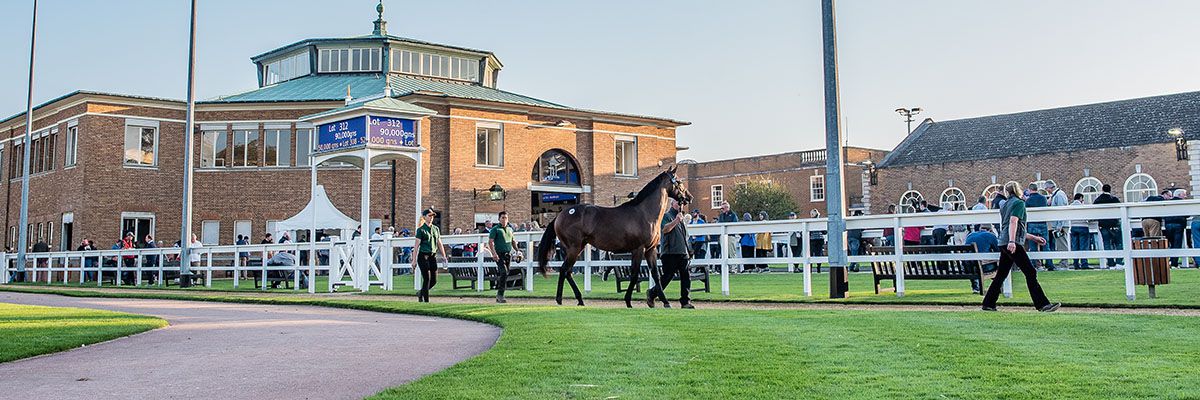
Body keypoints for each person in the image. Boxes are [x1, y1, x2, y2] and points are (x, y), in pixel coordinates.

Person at [982, 181, 1060, 312]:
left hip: (1003, 242)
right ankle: (1042, 304)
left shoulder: (1005, 204)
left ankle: (988, 303)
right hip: (1012, 242)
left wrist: (1033, 238)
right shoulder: (1019, 203)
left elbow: (1010, 226)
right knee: (1030, 272)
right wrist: (1012, 242)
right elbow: (1014, 222)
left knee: (1001, 274)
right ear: (1017, 189)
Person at [651, 198, 693, 309]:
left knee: (686, 277)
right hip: (670, 252)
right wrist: (676, 221)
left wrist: (688, 250)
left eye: (682, 203)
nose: (680, 205)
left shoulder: (681, 218)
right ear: (672, 204)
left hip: (682, 252)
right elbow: (664, 229)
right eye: (678, 203)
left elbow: (684, 236)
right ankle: (652, 293)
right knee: (667, 277)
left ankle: (685, 302)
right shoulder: (666, 216)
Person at [412, 209, 448, 302]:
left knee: (434, 280)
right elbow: (416, 246)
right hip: (423, 256)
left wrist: (444, 256)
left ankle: (421, 293)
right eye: (429, 216)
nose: (431, 218)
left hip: (432, 256)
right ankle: (426, 301)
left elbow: (439, 243)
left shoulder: (436, 229)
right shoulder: (421, 230)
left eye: (432, 216)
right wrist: (414, 260)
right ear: (424, 217)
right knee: (427, 278)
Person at [488, 211, 519, 303]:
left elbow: (513, 241)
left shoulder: (510, 229)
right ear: (499, 219)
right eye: (502, 218)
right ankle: (500, 295)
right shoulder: (495, 229)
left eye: (506, 218)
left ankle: (500, 294)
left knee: (505, 273)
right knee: (504, 272)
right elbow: (490, 242)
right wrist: (494, 253)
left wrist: (517, 250)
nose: (504, 219)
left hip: (507, 254)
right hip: (499, 254)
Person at [1093, 184, 1123, 268]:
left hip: (1103, 225)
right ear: (1110, 190)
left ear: (1102, 190)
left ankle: (1111, 263)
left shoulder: (1097, 200)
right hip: (1114, 224)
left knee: (1106, 244)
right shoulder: (1114, 199)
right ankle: (1119, 262)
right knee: (1118, 243)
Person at [964, 225, 999, 294]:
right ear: (991, 230)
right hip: (983, 267)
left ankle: (976, 288)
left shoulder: (970, 235)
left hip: (968, 268)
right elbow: (998, 251)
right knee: (1000, 264)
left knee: (972, 264)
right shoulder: (990, 236)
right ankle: (997, 287)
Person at [1045, 180, 1071, 269]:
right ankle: (1063, 263)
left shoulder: (1059, 195)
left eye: (1046, 188)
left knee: (1062, 244)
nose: (1046, 190)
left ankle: (1064, 264)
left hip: (1061, 225)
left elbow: (1061, 210)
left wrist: (1059, 226)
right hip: (1059, 224)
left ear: (1050, 187)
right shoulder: (1056, 195)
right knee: (1061, 244)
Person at [1024, 184, 1049, 269]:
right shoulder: (1043, 198)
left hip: (1032, 223)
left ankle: (1034, 265)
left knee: (1033, 245)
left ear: (1030, 190)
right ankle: (1049, 264)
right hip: (1042, 223)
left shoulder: (1028, 200)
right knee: (1046, 244)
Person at [1164, 189, 1188, 267]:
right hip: (1178, 224)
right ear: (1179, 195)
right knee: (1177, 245)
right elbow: (1187, 214)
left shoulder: (1167, 203)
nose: (1185, 196)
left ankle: (1171, 261)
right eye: (1184, 194)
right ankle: (1174, 263)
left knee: (1171, 244)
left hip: (1168, 225)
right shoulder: (1182, 203)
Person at [1069, 193, 1093, 269]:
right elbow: (1088, 217)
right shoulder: (1083, 206)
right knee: (1084, 246)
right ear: (1080, 198)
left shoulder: (1070, 206)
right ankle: (1084, 263)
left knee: (1075, 246)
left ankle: (1075, 263)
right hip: (1083, 227)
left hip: (1073, 227)